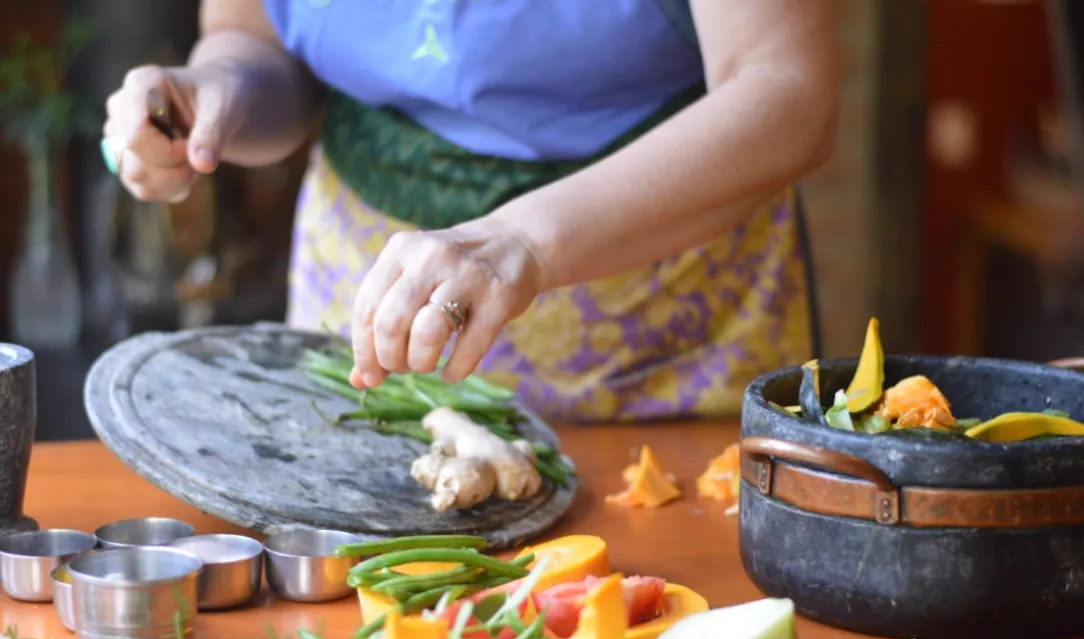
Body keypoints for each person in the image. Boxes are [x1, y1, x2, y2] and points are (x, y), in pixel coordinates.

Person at [101, 0, 838, 423]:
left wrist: (525, 240)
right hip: (368, 289)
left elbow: (788, 91)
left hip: (664, 313)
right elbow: (259, 33)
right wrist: (219, 86)